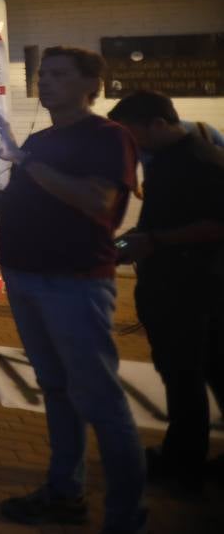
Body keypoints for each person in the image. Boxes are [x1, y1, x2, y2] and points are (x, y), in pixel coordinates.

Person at [0, 46, 145, 532]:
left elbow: (96, 200)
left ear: (92, 86)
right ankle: (65, 493)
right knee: (57, 391)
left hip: (74, 283)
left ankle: (126, 519)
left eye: (59, 75)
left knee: (100, 401)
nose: (45, 82)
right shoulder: (41, 140)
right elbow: (16, 209)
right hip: (24, 277)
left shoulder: (109, 137)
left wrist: (22, 158)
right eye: (42, 74)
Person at [109, 90, 224, 495]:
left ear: (158, 124)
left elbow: (215, 225)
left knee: (184, 372)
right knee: (198, 369)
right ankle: (187, 453)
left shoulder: (200, 162)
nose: (132, 144)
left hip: (190, 287)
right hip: (177, 281)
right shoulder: (170, 159)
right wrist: (135, 241)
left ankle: (183, 460)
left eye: (134, 134)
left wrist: (154, 241)